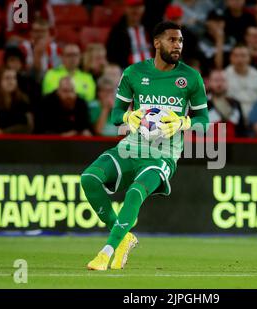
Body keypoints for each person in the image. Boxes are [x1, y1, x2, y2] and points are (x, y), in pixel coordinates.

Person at [82, 21, 209, 271]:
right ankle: (124, 237)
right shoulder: (134, 73)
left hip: (163, 155)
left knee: (135, 192)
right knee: (89, 178)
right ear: (157, 42)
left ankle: (106, 252)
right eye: (172, 40)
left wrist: (183, 122)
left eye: (180, 41)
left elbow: (204, 121)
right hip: (131, 147)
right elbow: (116, 114)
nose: (178, 45)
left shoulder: (191, 77)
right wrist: (129, 117)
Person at [0, 68, 33, 134]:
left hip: (23, 140)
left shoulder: (23, 99)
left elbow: (30, 125)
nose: (11, 81)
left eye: (14, 78)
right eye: (7, 78)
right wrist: (7, 141)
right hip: (0, 141)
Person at [224, 44, 257, 121]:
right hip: (232, 119)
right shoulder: (223, 76)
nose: (239, 59)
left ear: (249, 58)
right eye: (236, 56)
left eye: (243, 56)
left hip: (255, 120)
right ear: (231, 58)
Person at [106, 0, 152, 69]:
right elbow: (112, 57)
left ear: (143, 8)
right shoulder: (117, 32)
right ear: (125, 9)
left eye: (138, 6)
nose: (135, 10)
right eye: (132, 7)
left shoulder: (151, 28)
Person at [207, 69, 246, 137]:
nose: (219, 84)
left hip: (233, 145)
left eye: (223, 80)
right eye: (216, 80)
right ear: (209, 82)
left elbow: (242, 131)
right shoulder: (201, 105)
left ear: (227, 82)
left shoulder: (235, 104)